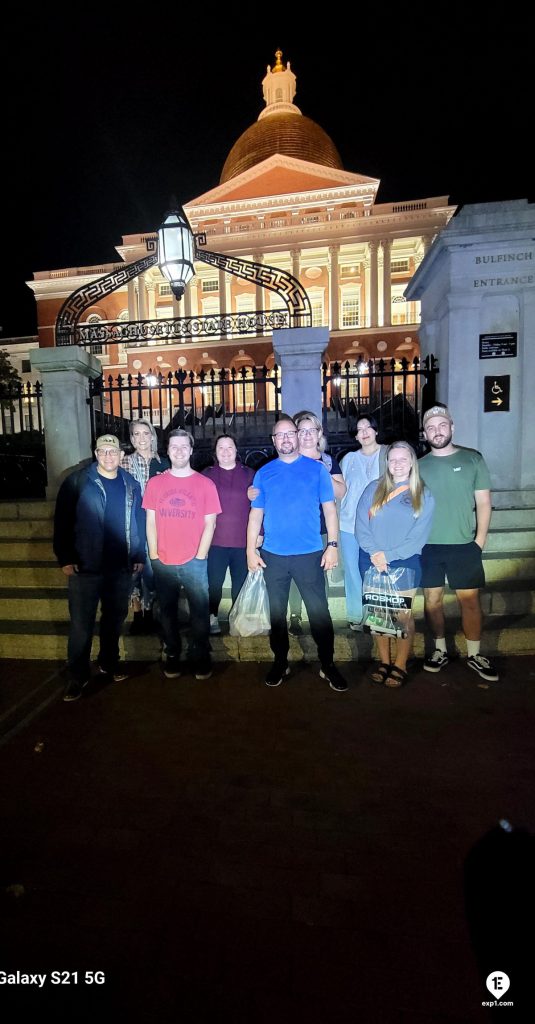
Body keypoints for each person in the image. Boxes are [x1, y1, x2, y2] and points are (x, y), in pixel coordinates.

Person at [246, 413, 348, 691]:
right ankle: (281, 661)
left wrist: (333, 546)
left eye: (290, 433)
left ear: (297, 436)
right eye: (280, 435)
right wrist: (249, 551)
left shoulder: (317, 470)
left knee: (319, 614)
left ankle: (328, 664)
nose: (286, 438)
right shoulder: (264, 473)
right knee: (277, 614)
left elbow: (330, 510)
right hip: (274, 556)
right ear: (274, 440)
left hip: (310, 553)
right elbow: (256, 516)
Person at [53, 434, 146, 702]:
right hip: (86, 566)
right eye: (103, 451)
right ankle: (77, 675)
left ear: (120, 455)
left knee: (114, 619)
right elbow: (63, 522)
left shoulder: (130, 484)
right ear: (96, 453)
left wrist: (138, 553)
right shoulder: (78, 481)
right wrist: (65, 557)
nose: (108, 456)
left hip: (120, 566)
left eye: (113, 452)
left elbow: (137, 520)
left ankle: (108, 661)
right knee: (81, 625)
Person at [419, 405, 499, 682]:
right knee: (432, 601)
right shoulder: (419, 465)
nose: (437, 431)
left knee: (470, 602)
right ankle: (440, 649)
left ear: (452, 427)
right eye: (431, 427)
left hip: (464, 544)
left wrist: (479, 540)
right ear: (425, 432)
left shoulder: (473, 460)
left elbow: (484, 502)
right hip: (428, 546)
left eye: (442, 425)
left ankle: (475, 654)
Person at [142, 429, 221, 680]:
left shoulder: (205, 484)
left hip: (194, 561)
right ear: (167, 450)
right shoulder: (156, 483)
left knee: (199, 612)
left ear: (191, 450)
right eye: (174, 446)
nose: (178, 451)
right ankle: (173, 653)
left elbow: (211, 523)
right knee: (167, 612)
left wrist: (200, 556)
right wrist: (154, 555)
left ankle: (200, 654)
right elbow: (150, 521)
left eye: (183, 446)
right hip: (163, 560)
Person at [356, 441, 435, 687]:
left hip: (405, 560)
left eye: (403, 459)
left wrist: (387, 556)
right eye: (393, 459)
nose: (398, 464)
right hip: (370, 559)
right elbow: (361, 525)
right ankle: (384, 661)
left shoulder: (423, 494)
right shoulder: (373, 488)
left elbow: (419, 536)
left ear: (412, 462)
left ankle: (400, 664)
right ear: (387, 463)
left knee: (402, 615)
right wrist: (375, 553)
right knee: (378, 613)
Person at [287, 410, 346, 635]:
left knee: (319, 573)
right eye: (302, 431)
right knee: (293, 572)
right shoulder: (288, 460)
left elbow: (341, 491)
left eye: (312, 430)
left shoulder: (328, 461)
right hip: (294, 528)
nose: (307, 435)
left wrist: (324, 473)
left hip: (321, 528)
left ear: (319, 432)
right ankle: (295, 615)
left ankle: (321, 614)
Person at [202, 434, 254, 634]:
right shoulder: (206, 475)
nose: (225, 451)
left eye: (229, 447)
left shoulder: (249, 474)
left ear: (236, 450)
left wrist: (260, 533)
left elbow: (261, 506)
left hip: (242, 540)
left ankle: (237, 618)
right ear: (215, 452)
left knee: (240, 583)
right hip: (214, 541)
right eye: (221, 448)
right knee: (213, 583)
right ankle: (211, 616)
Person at [121, 419, 170, 633]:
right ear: (132, 439)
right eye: (136, 434)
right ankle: (137, 612)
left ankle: (149, 610)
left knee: (151, 569)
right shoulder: (125, 463)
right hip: (133, 522)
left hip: (158, 524)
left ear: (152, 436)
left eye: (145, 433)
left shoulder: (164, 463)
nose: (141, 438)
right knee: (134, 569)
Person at [339, 415, 387, 629]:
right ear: (356, 435)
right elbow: (341, 491)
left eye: (368, 427)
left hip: (377, 524)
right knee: (351, 568)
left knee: (376, 568)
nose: (364, 431)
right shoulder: (348, 458)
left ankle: (377, 613)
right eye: (359, 429)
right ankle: (356, 614)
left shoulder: (388, 454)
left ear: (376, 430)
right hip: (349, 523)